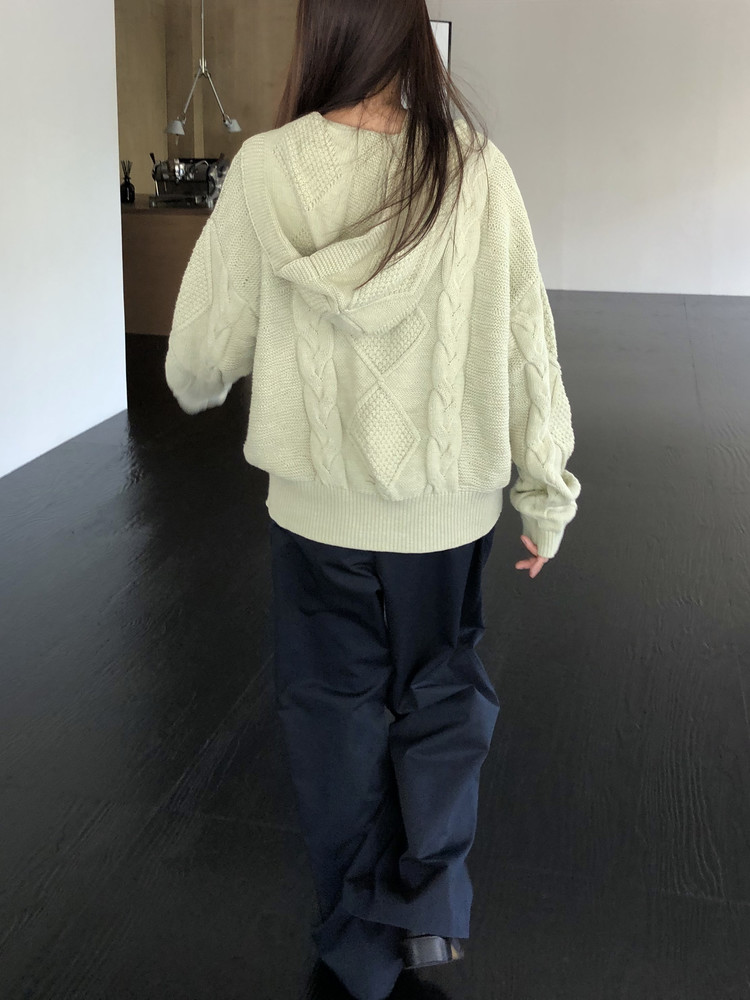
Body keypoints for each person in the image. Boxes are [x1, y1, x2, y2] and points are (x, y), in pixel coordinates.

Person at [164, 1, 581, 997]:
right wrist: (546, 494)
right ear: (409, 38)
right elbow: (527, 340)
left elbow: (200, 355)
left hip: (316, 513)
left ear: (322, 35)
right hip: (446, 511)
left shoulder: (265, 169)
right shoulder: (474, 167)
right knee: (443, 696)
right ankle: (429, 911)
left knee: (331, 717)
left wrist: (199, 381)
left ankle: (355, 951)